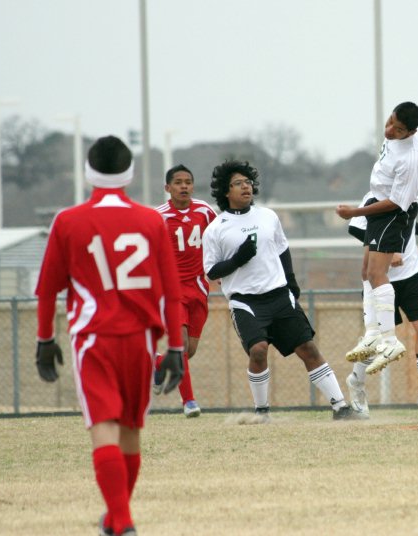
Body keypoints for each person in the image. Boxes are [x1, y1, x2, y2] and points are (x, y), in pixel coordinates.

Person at [35, 135, 185, 536]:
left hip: (94, 339)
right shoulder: (152, 220)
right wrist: (174, 347)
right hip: (141, 340)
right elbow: (172, 292)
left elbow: (48, 289)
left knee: (104, 427)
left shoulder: (68, 220)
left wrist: (45, 339)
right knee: (132, 431)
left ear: (88, 173)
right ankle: (117, 520)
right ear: (130, 174)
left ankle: (121, 520)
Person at [202, 160, 358, 421]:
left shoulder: (268, 216)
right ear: (225, 191)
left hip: (278, 295)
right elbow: (212, 271)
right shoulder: (216, 229)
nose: (245, 187)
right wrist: (238, 259)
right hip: (245, 302)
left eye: (247, 182)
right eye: (238, 183)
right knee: (258, 350)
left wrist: (291, 281)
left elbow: (282, 249)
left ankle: (340, 407)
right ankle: (261, 412)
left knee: (308, 348)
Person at [335, 101, 418, 375]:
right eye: (390, 121)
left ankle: (389, 340)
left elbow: (398, 204)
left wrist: (356, 211)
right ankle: (373, 333)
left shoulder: (410, 159)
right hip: (378, 206)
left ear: (410, 133)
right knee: (366, 272)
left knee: (377, 273)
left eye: (397, 130)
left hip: (391, 213)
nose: (389, 130)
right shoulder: (412, 132)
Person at [344, 193, 418, 416]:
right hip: (381, 278)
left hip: (412, 272)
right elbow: (355, 228)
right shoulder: (374, 195)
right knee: (376, 340)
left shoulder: (409, 191)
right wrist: (389, 247)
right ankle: (356, 383)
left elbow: (406, 221)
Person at [153, 164, 217, 418]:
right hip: (170, 289)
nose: (184, 186)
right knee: (179, 345)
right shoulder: (158, 216)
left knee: (188, 350)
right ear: (168, 188)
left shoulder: (205, 211)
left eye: (188, 182)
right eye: (178, 182)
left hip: (199, 287)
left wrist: (220, 271)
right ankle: (189, 401)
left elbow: (218, 239)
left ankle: (156, 363)